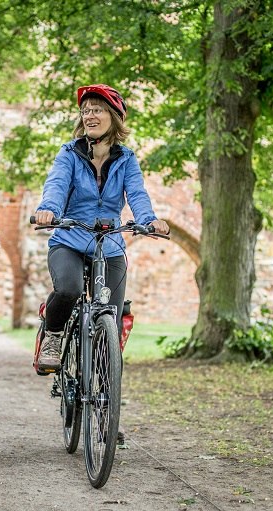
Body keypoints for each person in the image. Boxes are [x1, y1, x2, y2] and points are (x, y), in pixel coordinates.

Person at [33, 83, 169, 370]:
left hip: (109, 245)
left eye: (97, 110)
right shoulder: (69, 153)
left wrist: (148, 220)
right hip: (69, 240)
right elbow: (56, 185)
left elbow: (137, 194)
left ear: (114, 116)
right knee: (68, 290)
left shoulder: (127, 159)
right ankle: (53, 336)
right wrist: (49, 210)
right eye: (85, 111)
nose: (89, 116)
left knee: (113, 315)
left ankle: (106, 383)